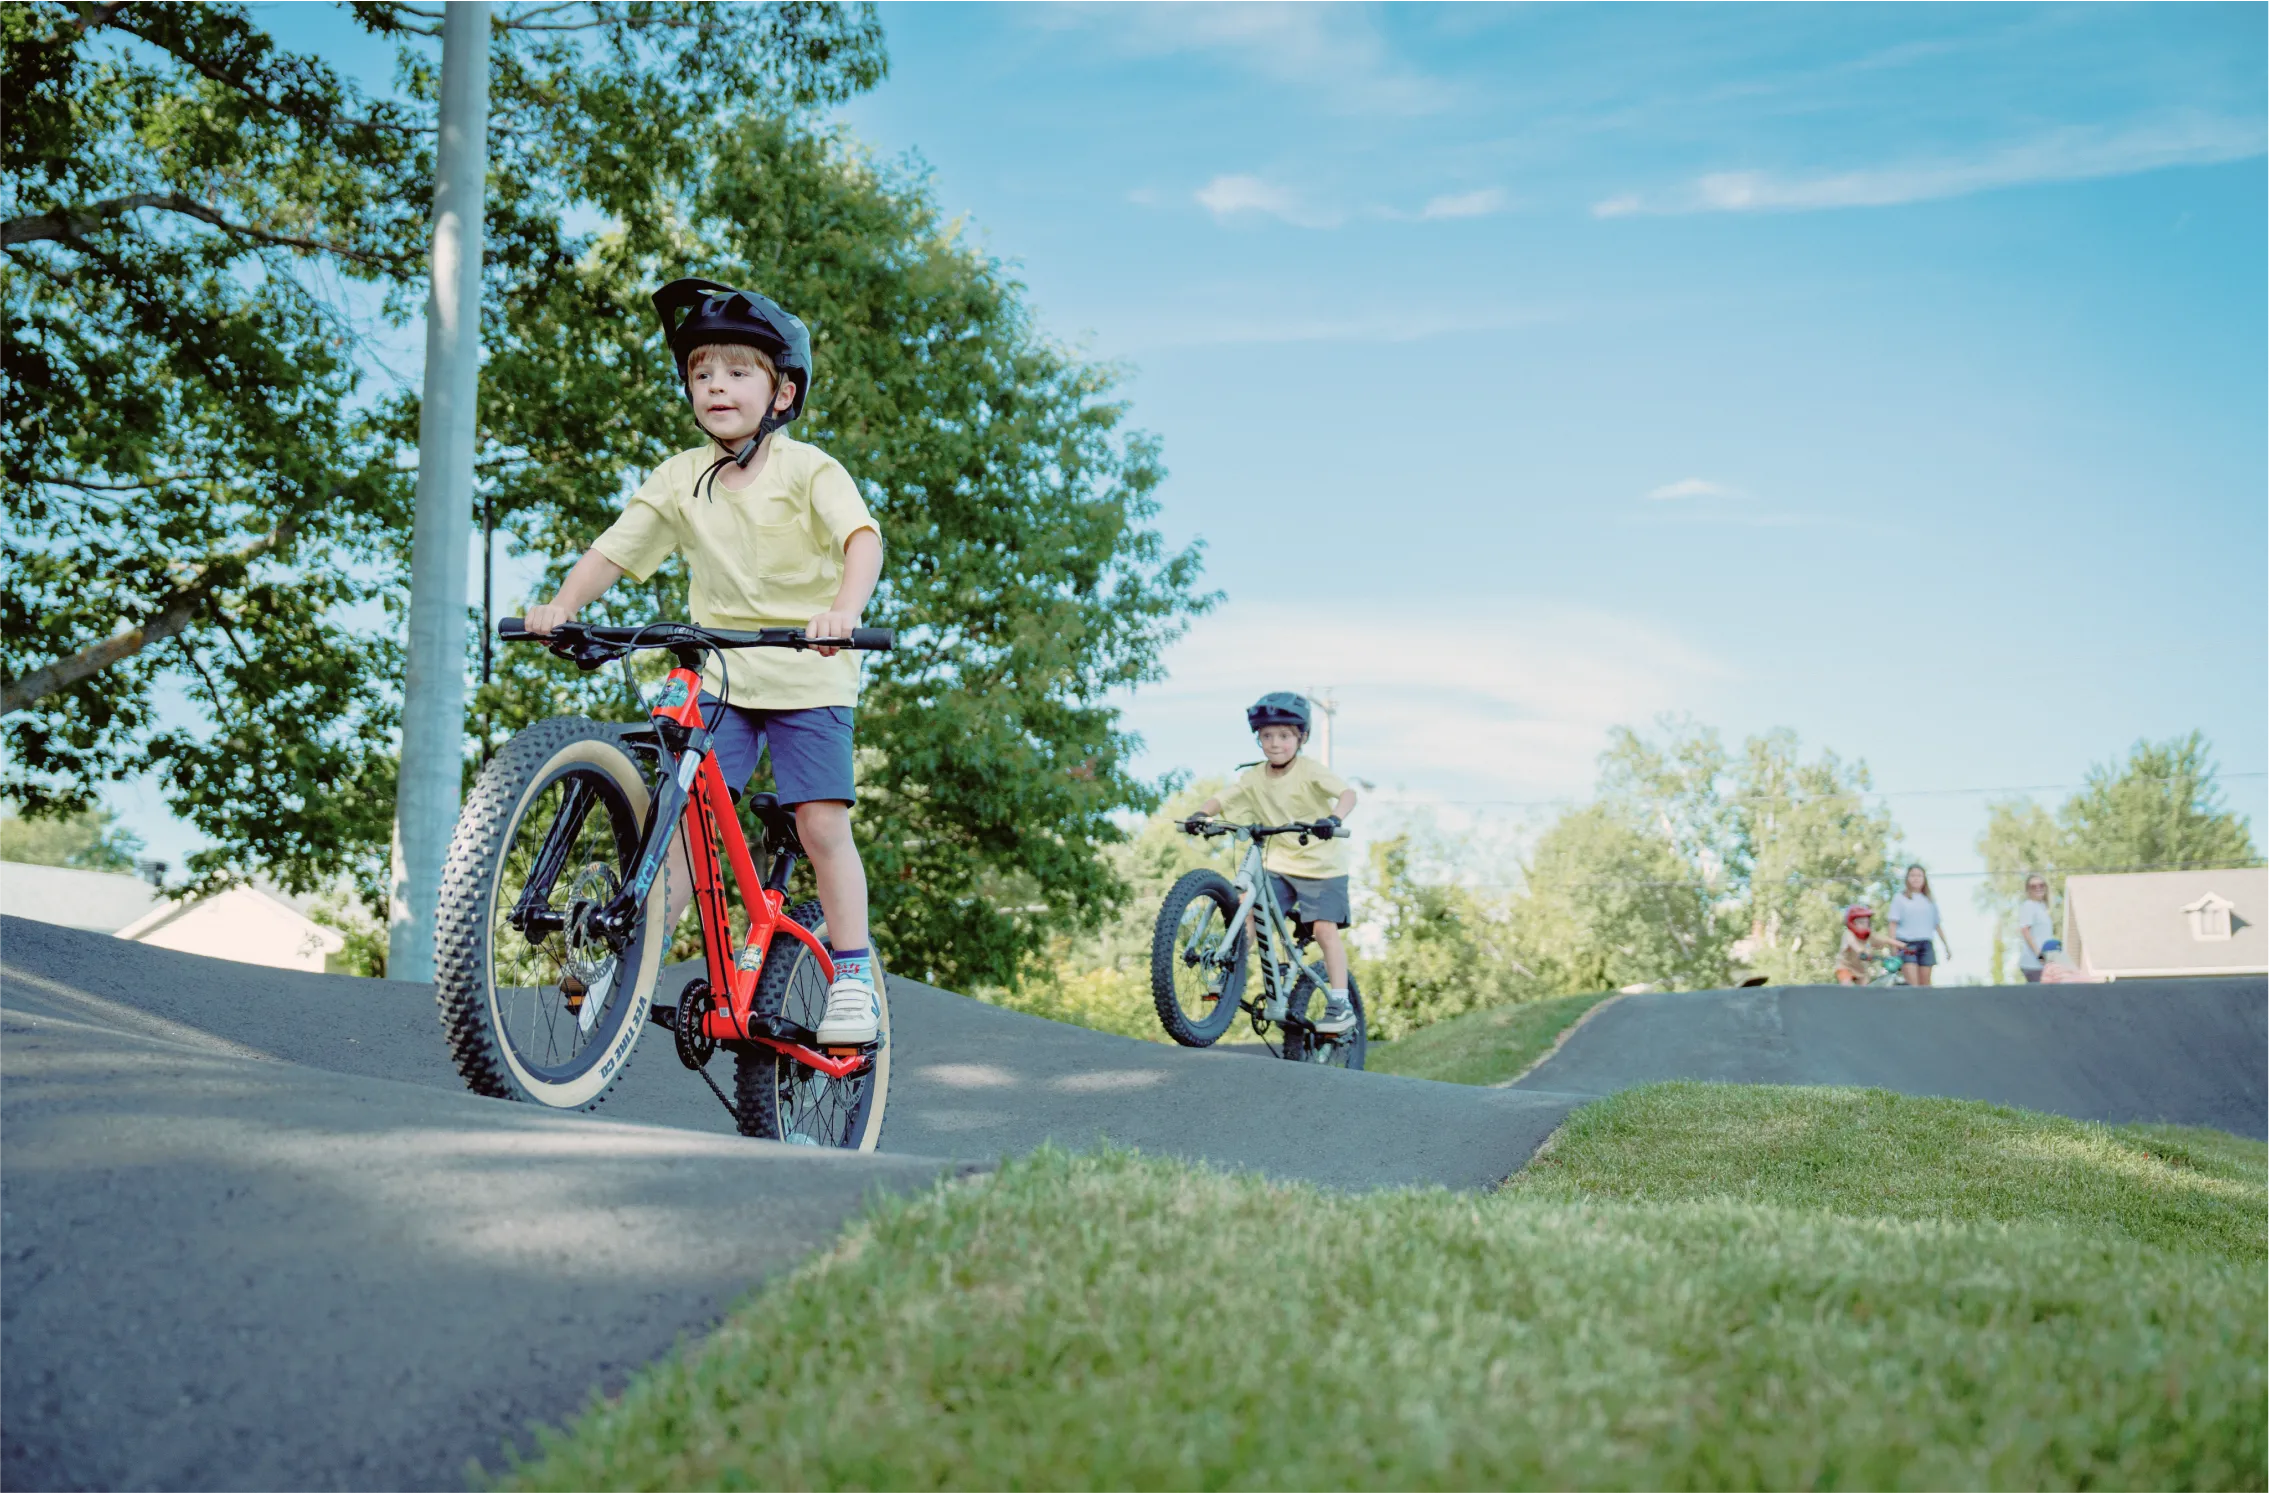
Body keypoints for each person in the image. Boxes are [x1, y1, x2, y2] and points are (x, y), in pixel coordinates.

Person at [522, 278, 884, 1045]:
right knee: (678, 829)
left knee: (821, 823)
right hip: (721, 673)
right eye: (700, 373)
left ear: (782, 392)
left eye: (738, 371)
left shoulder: (809, 470)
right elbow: (616, 548)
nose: (715, 384)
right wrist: (563, 605)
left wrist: (842, 613)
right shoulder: (681, 475)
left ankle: (852, 975)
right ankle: (629, 963)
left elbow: (861, 540)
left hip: (806, 671)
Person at [1186, 693, 1360, 1034]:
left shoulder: (1310, 770)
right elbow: (1225, 797)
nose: (1274, 743)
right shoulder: (1254, 777)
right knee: (1246, 913)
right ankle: (1228, 973)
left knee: (1324, 930)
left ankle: (1340, 1004)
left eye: (1283, 736)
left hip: (1322, 868)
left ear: (1301, 737)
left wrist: (1333, 819)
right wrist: (1201, 814)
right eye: (1266, 736)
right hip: (1279, 864)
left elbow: (1348, 794)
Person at [1887, 863, 1949, 986]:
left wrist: (1946, 946)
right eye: (1912, 875)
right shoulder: (1899, 898)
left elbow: (1937, 925)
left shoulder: (1929, 901)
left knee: (1925, 986)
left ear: (1924, 879)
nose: (1916, 878)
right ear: (1907, 879)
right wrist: (1893, 948)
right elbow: (1892, 924)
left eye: (1919, 875)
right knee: (1913, 986)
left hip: (1926, 945)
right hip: (1906, 945)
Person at [1833, 904, 1898, 985]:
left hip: (1860, 970)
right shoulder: (1848, 934)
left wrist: (1904, 946)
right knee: (1847, 986)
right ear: (1852, 923)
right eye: (1861, 922)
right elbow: (1854, 945)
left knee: (1865, 990)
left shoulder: (1869, 936)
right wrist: (1862, 953)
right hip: (1845, 967)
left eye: (1867, 922)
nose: (1865, 925)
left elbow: (1886, 940)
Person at [2013, 874, 2055, 984]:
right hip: (2033, 964)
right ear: (2028, 890)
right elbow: (2025, 931)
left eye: (2041, 885)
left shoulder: (2041, 907)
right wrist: (2040, 957)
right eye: (2033, 886)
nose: (2038, 888)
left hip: (2043, 963)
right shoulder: (2029, 905)